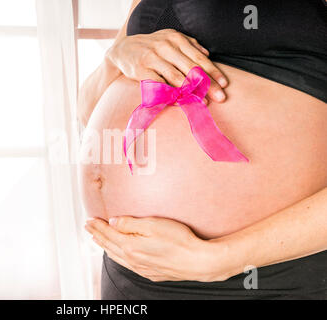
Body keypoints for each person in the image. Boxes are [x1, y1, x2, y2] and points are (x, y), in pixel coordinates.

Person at [78, 0, 327, 299]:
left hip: (263, 273)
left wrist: (219, 260)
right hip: (131, 266)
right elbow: (85, 111)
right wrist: (117, 56)